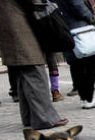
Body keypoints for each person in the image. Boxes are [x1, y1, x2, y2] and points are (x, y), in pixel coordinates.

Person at [0, 0, 68, 129]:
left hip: (10, 24)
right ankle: (45, 118)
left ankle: (29, 118)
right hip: (19, 27)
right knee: (35, 72)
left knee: (24, 75)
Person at [54, 0, 95, 109]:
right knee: (89, 65)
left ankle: (84, 98)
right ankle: (89, 99)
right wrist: (91, 17)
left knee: (76, 66)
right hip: (81, 30)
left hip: (66, 30)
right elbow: (78, 6)